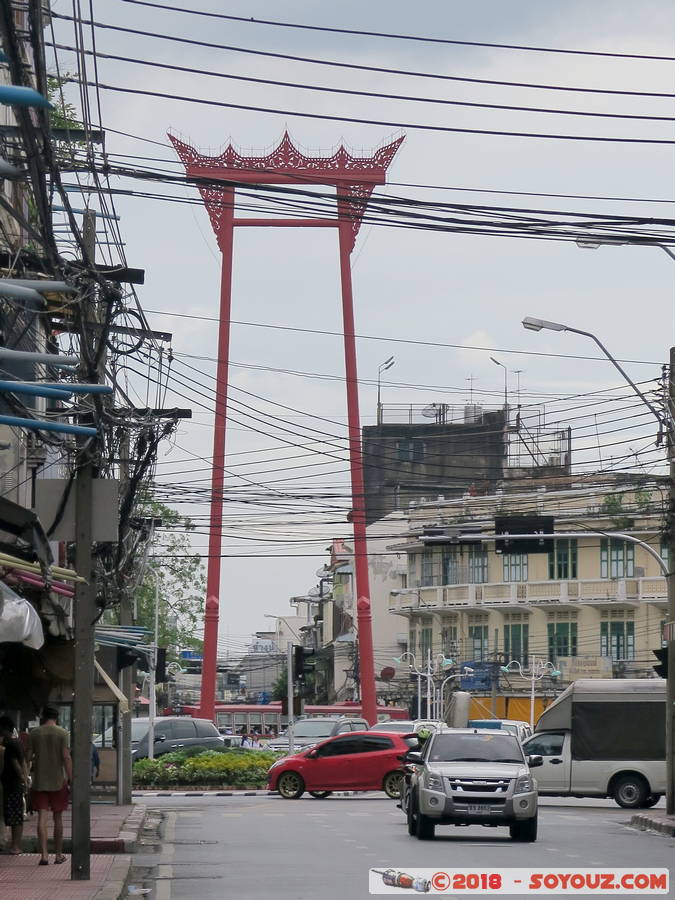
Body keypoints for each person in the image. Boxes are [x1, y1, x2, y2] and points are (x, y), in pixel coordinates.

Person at [28, 706, 72, 866]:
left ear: (43, 717)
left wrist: (27, 774)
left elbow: (28, 757)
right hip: (58, 781)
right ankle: (58, 855)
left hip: (40, 781)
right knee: (57, 818)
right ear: (57, 718)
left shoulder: (34, 733)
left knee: (42, 817)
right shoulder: (63, 733)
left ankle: (44, 855)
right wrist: (71, 778)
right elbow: (66, 757)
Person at [0, 715, 27, 854]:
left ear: (5, 728)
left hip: (12, 785)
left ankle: (15, 846)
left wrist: (22, 778)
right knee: (17, 815)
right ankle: (16, 845)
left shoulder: (9, 745)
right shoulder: (18, 742)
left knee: (15, 816)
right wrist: (25, 780)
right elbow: (23, 762)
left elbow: (15, 763)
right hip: (16, 784)